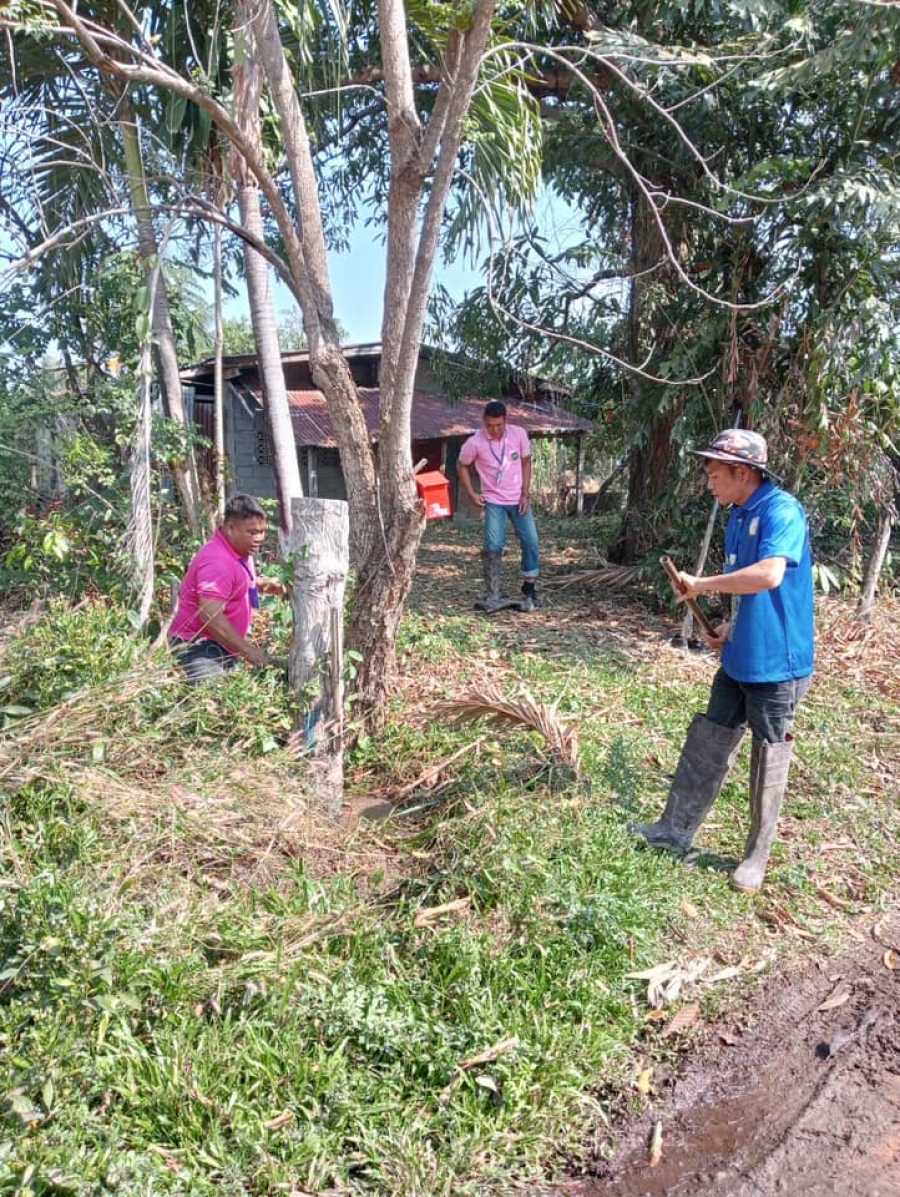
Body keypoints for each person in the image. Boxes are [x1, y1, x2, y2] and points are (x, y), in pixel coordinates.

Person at [630, 428, 815, 893]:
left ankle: (756, 855)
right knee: (710, 736)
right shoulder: (737, 514)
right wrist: (730, 628)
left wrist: (701, 585)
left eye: (715, 473)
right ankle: (673, 829)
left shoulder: (781, 511)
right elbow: (749, 589)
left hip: (779, 662)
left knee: (768, 750)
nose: (710, 482)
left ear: (744, 472)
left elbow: (770, 575)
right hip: (741, 653)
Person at [169, 493, 286, 683]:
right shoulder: (217, 561)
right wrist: (248, 651)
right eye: (252, 532)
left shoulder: (239, 550)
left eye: (262, 531)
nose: (259, 538)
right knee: (212, 696)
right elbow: (210, 616)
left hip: (221, 644)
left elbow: (234, 584)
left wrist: (262, 585)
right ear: (230, 528)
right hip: (197, 646)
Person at [457, 400, 541, 613]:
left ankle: (529, 587)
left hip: (518, 499)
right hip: (493, 501)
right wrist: (471, 493)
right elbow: (462, 465)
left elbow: (526, 462)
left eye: (499, 425)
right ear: (484, 422)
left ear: (506, 421)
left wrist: (525, 493)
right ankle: (494, 592)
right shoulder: (475, 442)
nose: (494, 430)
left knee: (531, 540)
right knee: (493, 545)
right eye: (490, 425)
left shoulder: (519, 434)